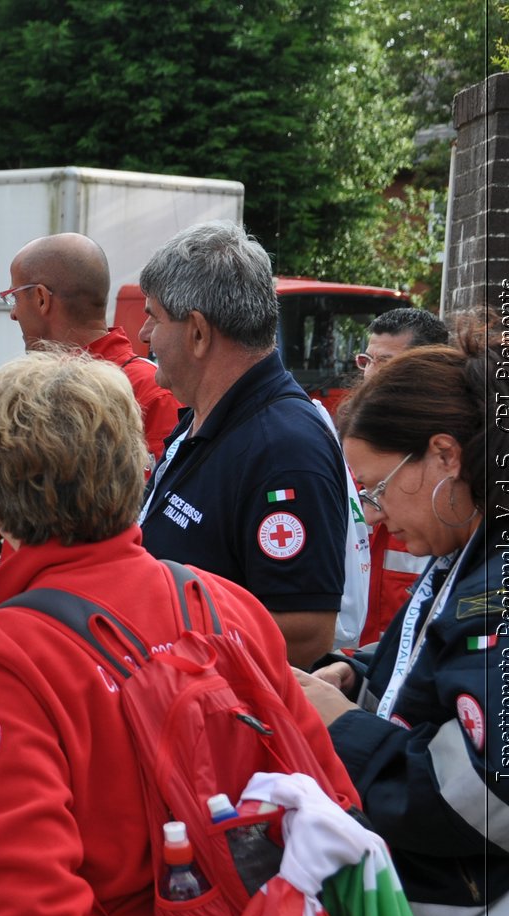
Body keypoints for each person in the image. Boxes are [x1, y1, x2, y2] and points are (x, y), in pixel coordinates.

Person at [0, 348, 357, 916]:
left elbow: (25, 889)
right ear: (137, 467)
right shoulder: (222, 602)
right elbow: (329, 797)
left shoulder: (7, 650)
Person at [296, 336, 509, 916]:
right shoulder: (469, 552)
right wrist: (355, 676)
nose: (376, 516)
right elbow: (432, 665)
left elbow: (485, 794)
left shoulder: (504, 582)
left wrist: (347, 731)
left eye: (377, 487)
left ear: (445, 456)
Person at [136, 220, 348, 668]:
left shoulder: (285, 447)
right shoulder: (209, 416)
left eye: (153, 316)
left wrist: (160, 645)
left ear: (197, 332)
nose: (143, 335)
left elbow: (304, 631)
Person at [4, 232, 180, 459]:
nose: (13, 314)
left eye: (14, 298)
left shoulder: (152, 393)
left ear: (41, 299)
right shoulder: (150, 390)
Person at [355, 307, 449, 645]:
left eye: (386, 362)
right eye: (367, 361)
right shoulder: (352, 453)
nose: (370, 375)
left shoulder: (448, 478)